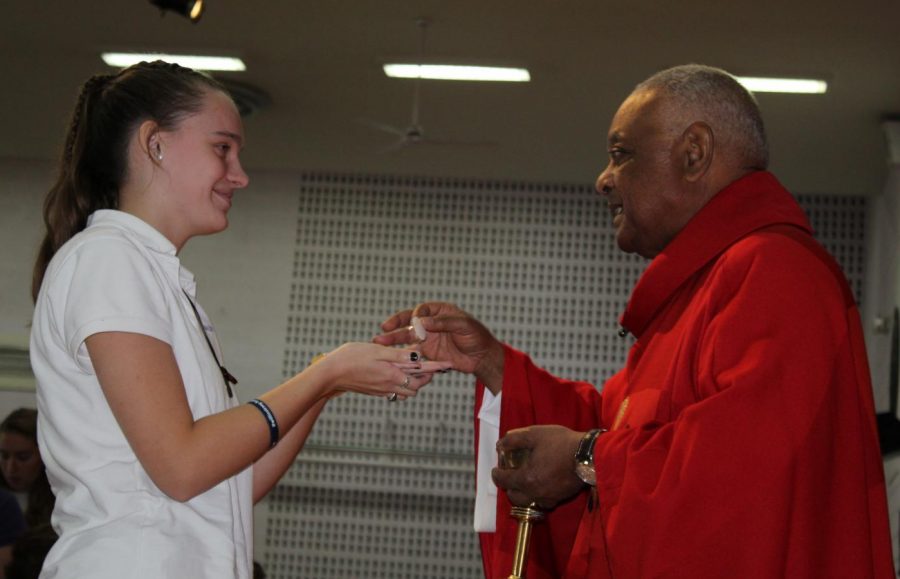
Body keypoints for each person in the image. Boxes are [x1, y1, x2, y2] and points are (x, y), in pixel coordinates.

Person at [376, 64, 894, 578]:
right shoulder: (699, 290)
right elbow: (617, 429)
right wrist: (493, 364)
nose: (603, 179)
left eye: (621, 155)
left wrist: (586, 456)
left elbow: (739, 473)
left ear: (694, 153)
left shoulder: (775, 271)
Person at [29, 61, 449, 579]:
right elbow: (182, 468)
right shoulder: (108, 259)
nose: (240, 175)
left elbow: (232, 484)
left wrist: (329, 382)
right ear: (154, 144)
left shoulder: (158, 279)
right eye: (222, 148)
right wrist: (328, 372)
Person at [0, 409, 54, 530]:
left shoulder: (61, 499)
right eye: (4, 456)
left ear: (44, 455)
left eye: (23, 457)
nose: (11, 468)